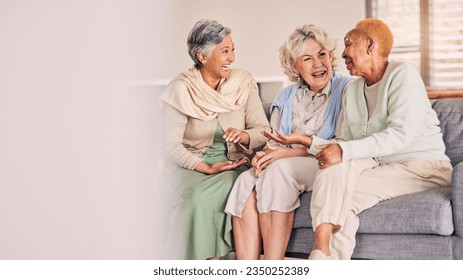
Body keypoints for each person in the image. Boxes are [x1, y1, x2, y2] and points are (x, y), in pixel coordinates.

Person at [265, 18, 453, 260]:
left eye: (348, 44)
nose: (342, 54)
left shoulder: (402, 76)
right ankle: (325, 255)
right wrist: (308, 141)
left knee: (341, 186)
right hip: (384, 165)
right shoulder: (353, 90)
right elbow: (344, 142)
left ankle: (320, 252)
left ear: (370, 45)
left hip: (423, 168)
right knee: (341, 188)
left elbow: (400, 135)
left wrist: (342, 151)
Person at [224, 24, 354, 260]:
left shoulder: (347, 89)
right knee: (246, 180)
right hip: (288, 163)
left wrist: (282, 155)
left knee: (278, 171)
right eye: (308, 58)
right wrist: (264, 156)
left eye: (322, 55)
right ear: (295, 66)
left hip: (325, 162)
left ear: (331, 56)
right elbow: (273, 142)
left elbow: (340, 144)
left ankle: (274, 266)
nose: (318, 64)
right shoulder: (285, 97)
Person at [159, 19, 270, 260]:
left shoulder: (243, 83)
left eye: (233, 49)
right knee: (193, 198)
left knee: (228, 187)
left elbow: (263, 129)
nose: (232, 58)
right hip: (190, 165)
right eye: (225, 51)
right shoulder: (181, 89)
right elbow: (170, 145)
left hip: (234, 165)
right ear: (202, 57)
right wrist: (206, 167)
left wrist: (244, 136)